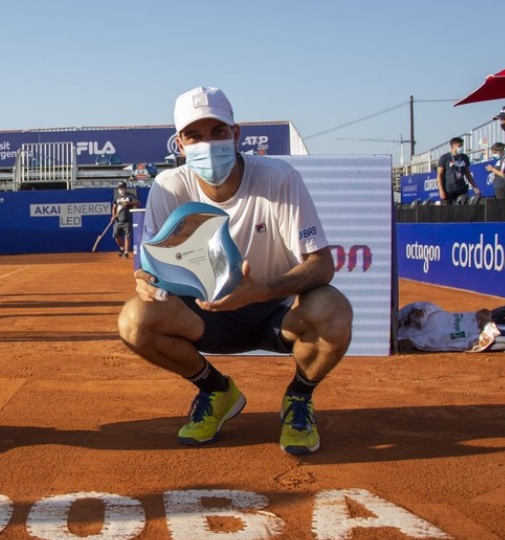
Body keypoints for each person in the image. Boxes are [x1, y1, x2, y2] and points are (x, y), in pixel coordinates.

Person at [117, 86, 352, 455]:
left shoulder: (279, 177)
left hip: (276, 311)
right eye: (194, 135)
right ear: (179, 144)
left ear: (236, 134)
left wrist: (263, 289)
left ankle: (299, 398)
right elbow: (153, 262)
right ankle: (216, 391)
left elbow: (322, 264)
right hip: (203, 315)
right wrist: (146, 280)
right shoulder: (169, 185)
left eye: (218, 132)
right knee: (134, 319)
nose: (207, 145)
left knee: (333, 310)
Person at [435, 137, 480, 205]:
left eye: (462, 145)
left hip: (461, 188)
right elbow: (439, 175)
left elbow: (467, 173)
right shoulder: (444, 158)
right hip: (448, 189)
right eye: (459, 146)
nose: (461, 147)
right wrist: (441, 190)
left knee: (461, 207)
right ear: (452, 146)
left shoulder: (464, 157)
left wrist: (474, 186)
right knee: (448, 210)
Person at [111, 182, 140, 258]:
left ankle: (126, 252)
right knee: (116, 236)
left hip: (127, 220)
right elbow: (114, 207)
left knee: (127, 236)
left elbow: (138, 203)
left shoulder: (130, 196)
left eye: (122, 188)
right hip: (118, 220)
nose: (121, 189)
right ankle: (122, 248)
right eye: (120, 188)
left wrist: (128, 203)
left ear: (125, 188)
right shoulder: (116, 197)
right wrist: (113, 216)